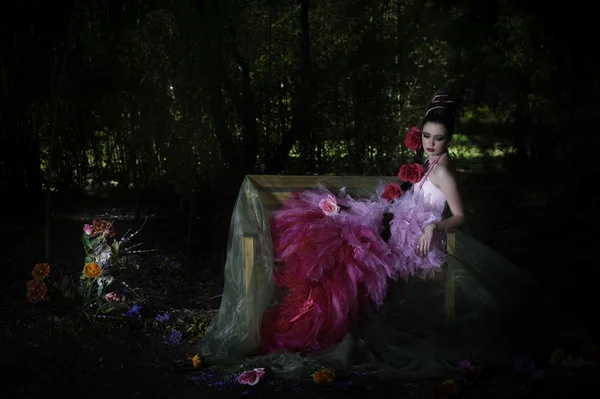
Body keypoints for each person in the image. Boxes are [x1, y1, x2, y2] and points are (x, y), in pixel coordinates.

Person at [197, 92, 588, 381]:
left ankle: (318, 324)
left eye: (440, 139)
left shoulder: (443, 171)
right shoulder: (428, 162)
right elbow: (413, 194)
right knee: (336, 227)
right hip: (400, 221)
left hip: (416, 237)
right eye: (429, 137)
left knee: (346, 249)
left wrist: (435, 225)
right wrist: (396, 198)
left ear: (450, 140)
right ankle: (319, 302)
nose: (433, 145)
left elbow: (462, 216)